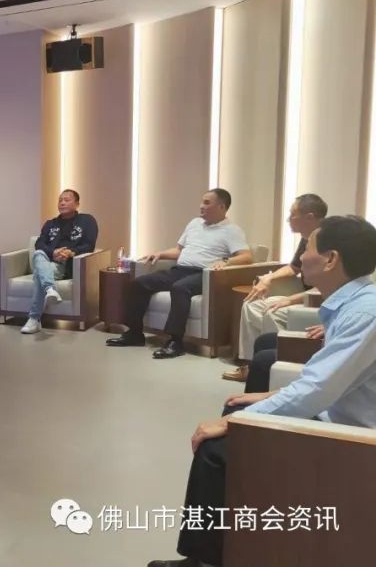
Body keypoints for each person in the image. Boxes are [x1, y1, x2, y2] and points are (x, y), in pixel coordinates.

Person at [148, 215, 376, 567]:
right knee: (235, 409)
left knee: (215, 448)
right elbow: (325, 380)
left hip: (351, 441)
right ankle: (237, 543)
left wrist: (239, 421)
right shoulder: (355, 303)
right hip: (335, 416)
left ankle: (205, 560)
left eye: (310, 247)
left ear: (331, 259)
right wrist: (261, 401)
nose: (302, 256)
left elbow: (317, 389)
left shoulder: (365, 313)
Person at [106, 189, 252, 359]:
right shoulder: (194, 224)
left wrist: (226, 262)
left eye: (206, 203)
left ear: (221, 207)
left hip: (204, 275)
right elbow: (178, 250)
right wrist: (160, 254)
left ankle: (175, 342)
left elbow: (246, 257)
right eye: (202, 202)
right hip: (180, 270)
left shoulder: (232, 230)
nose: (201, 206)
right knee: (139, 284)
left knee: (180, 288)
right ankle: (134, 333)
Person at [224, 194, 327, 381]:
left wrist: (290, 299)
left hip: (317, 300)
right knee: (252, 304)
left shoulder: (327, 240)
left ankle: (275, 362)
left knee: (272, 310)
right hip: (303, 296)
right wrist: (269, 278)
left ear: (309, 217)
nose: (288, 219)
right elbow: (294, 267)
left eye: (292, 214)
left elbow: (327, 287)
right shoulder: (306, 239)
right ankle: (251, 363)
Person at [20, 189, 99, 334]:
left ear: (77, 204)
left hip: (67, 265)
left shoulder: (87, 221)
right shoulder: (50, 223)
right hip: (48, 261)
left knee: (39, 274)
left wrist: (71, 252)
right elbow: (39, 244)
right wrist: (53, 252)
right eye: (60, 200)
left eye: (67, 200)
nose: (62, 203)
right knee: (38, 253)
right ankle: (50, 289)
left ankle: (34, 319)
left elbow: (89, 245)